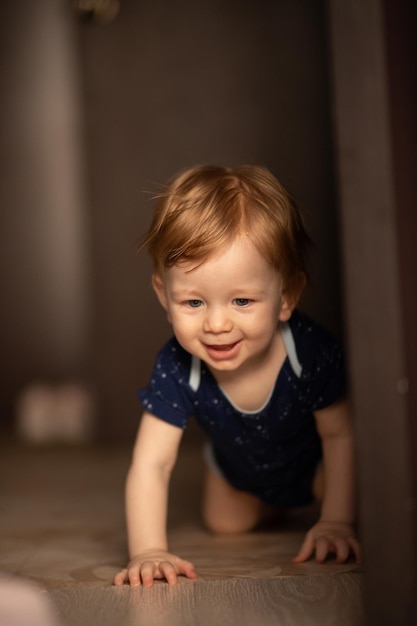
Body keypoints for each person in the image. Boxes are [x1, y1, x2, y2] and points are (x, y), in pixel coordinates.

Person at [114, 165, 361, 588]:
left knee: (356, 496)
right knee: (225, 524)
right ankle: (269, 503)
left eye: (242, 300)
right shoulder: (178, 364)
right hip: (240, 469)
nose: (216, 324)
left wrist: (336, 520)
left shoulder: (310, 352)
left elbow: (340, 435)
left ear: (287, 297)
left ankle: (320, 506)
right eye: (193, 302)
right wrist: (149, 551)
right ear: (163, 296)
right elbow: (152, 463)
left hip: (312, 463)